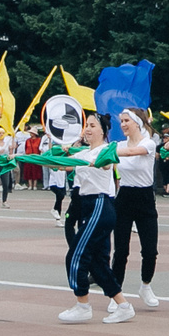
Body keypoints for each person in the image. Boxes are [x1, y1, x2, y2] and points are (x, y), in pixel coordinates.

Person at [55, 112, 130, 324]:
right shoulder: (83, 153)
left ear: (103, 131)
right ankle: (123, 305)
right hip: (88, 206)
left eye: (92, 125)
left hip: (100, 204)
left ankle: (83, 305)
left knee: (76, 255)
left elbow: (106, 164)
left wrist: (92, 161)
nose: (87, 129)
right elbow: (61, 165)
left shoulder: (106, 149)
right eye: (86, 125)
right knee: (98, 263)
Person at [110, 107, 162, 310]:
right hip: (124, 198)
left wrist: (109, 151)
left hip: (145, 198)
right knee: (121, 250)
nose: (122, 124)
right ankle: (115, 295)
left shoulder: (148, 143)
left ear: (137, 123)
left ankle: (146, 285)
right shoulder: (118, 144)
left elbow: (132, 152)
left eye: (126, 121)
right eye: (121, 121)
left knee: (150, 250)